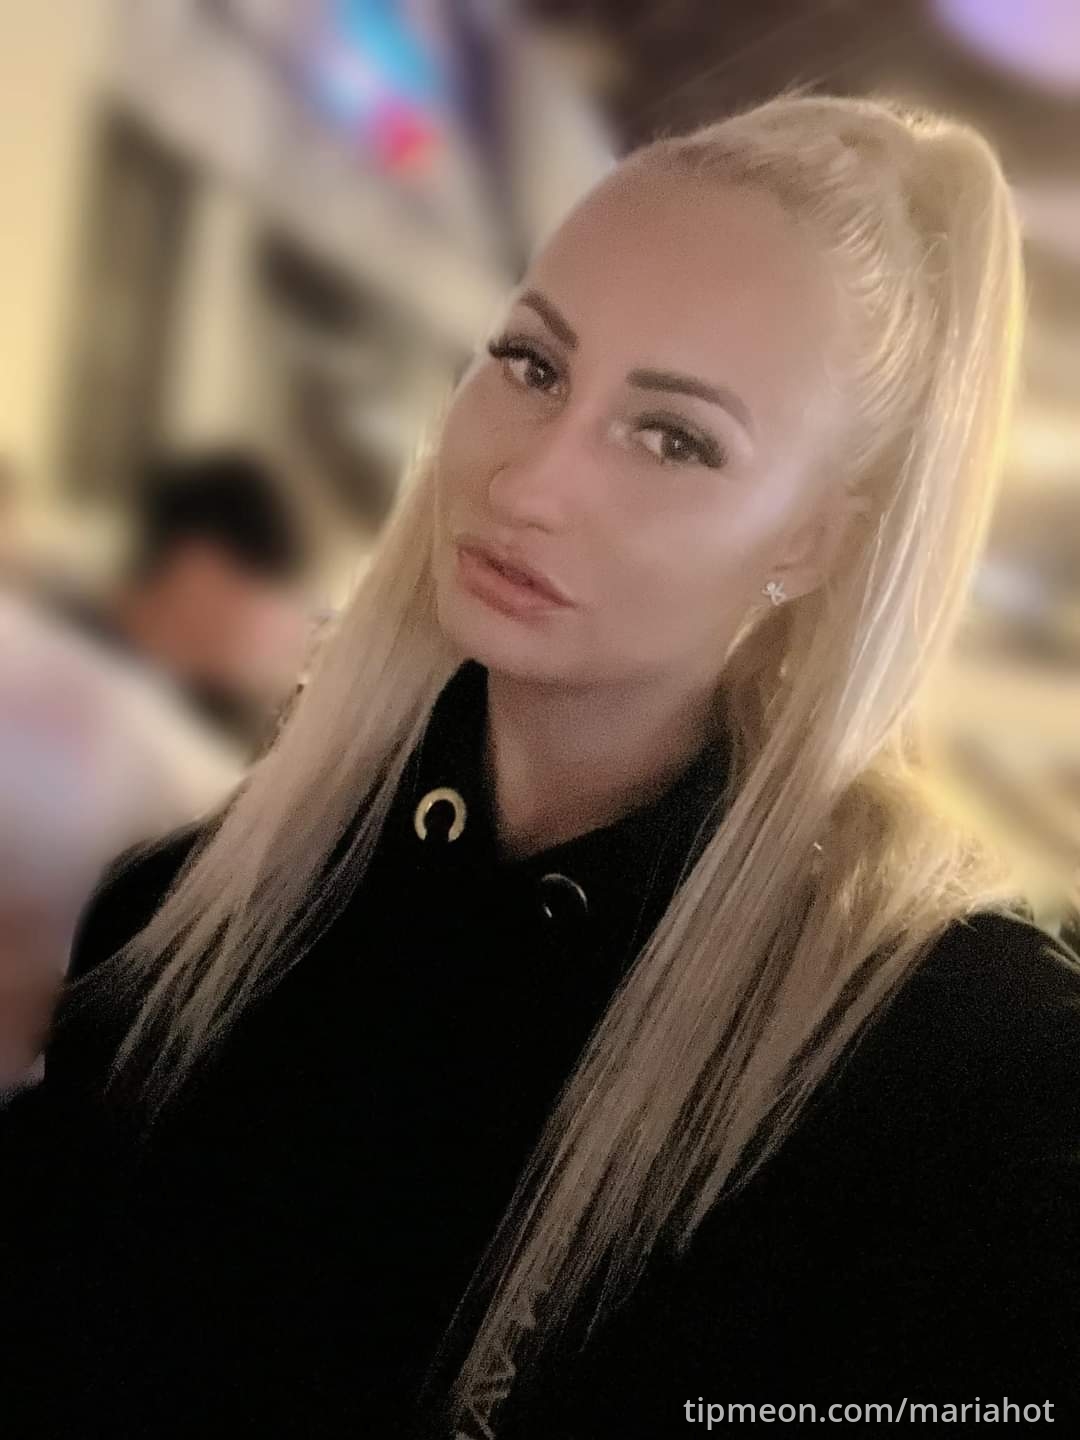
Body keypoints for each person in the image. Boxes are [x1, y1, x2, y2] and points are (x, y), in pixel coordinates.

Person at [3, 94, 1079, 1438]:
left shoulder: (962, 1082)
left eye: (675, 438)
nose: (530, 483)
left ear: (818, 541)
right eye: (531, 364)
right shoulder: (195, 918)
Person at [50, 449, 314, 759]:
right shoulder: (59, 665)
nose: (265, 631)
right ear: (198, 570)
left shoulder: (190, 706)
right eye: (260, 593)